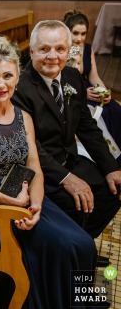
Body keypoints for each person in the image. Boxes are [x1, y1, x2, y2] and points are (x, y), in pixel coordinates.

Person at [0, 36, 96, 309]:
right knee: (62, 247)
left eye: (8, 76)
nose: (1, 84)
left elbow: (35, 169)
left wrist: (37, 204)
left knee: (84, 243)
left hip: (24, 191)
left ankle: (78, 304)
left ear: (18, 77)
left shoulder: (23, 117)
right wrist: (13, 204)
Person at [12, 20, 121, 239]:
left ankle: (81, 246)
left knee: (113, 191)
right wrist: (67, 178)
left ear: (68, 51)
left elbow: (87, 127)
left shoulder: (72, 77)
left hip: (69, 159)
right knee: (75, 204)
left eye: (60, 49)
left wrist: (111, 167)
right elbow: (29, 147)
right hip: (35, 171)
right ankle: (71, 248)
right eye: (44, 49)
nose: (53, 56)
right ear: (32, 51)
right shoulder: (19, 88)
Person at [64, 11, 121, 164]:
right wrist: (84, 94)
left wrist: (104, 91)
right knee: (98, 115)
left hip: (88, 87)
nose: (79, 38)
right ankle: (105, 156)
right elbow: (63, 81)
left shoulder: (88, 49)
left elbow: (93, 76)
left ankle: (118, 153)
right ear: (67, 31)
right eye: (75, 33)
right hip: (74, 92)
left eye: (83, 34)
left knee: (114, 108)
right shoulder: (62, 50)